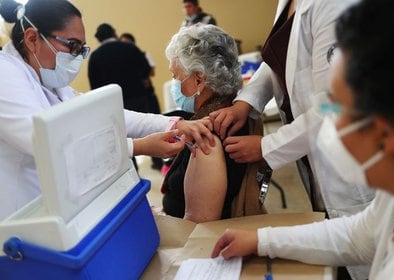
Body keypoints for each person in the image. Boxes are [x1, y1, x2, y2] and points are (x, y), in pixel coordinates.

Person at [212, 0, 394, 278]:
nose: (333, 124)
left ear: (385, 134)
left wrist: (266, 147)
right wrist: (263, 240)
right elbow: (360, 236)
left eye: (337, 109)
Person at [0, 0, 214, 221]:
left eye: (81, 49)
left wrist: (172, 124)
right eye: (71, 46)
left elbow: (104, 113)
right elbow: (47, 145)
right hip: (21, 211)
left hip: (56, 205)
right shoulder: (5, 76)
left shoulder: (49, 78)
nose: (77, 57)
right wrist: (138, 147)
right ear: (32, 38)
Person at [161, 24, 249, 223]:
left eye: (176, 76)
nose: (174, 84)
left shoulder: (207, 136)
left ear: (199, 79)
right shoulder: (231, 108)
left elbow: (198, 226)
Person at [118, 31, 163, 170]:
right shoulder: (122, 60)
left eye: (127, 42)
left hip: (146, 95)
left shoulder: (143, 55)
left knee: (152, 126)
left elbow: (152, 71)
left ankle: (158, 161)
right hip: (130, 98)